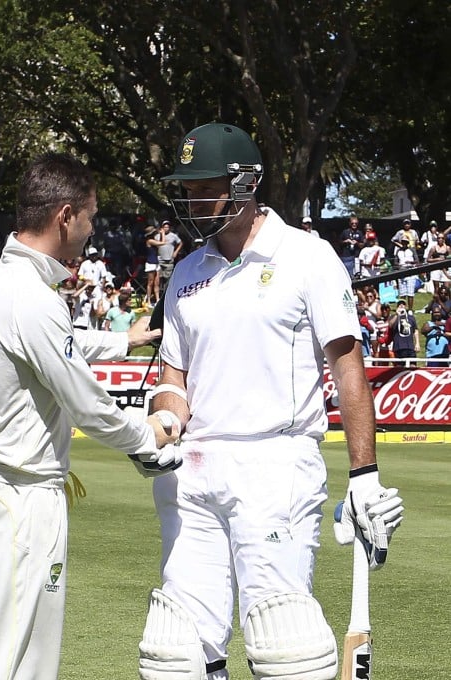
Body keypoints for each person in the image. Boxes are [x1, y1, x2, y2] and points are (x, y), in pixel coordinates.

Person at [145, 122, 404, 679]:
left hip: (275, 466)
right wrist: (162, 425)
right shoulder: (186, 271)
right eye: (185, 188)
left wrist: (365, 474)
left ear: (243, 184)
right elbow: (174, 379)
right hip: (192, 475)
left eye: (201, 187)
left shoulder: (307, 257)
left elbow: (347, 368)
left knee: (284, 649)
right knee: (177, 652)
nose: (190, 199)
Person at [0, 152, 179, 680]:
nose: (91, 230)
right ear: (65, 216)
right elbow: (86, 402)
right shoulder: (31, 297)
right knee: (22, 662)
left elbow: (53, 345)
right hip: (23, 496)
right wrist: (146, 437)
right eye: (90, 217)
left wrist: (123, 339)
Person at [157, 219, 184, 287]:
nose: (166, 228)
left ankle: (165, 292)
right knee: (158, 278)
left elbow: (180, 243)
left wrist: (176, 252)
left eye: (167, 227)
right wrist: (161, 234)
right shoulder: (157, 235)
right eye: (165, 227)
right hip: (159, 259)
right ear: (162, 228)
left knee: (167, 278)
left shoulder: (173, 235)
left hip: (169, 259)